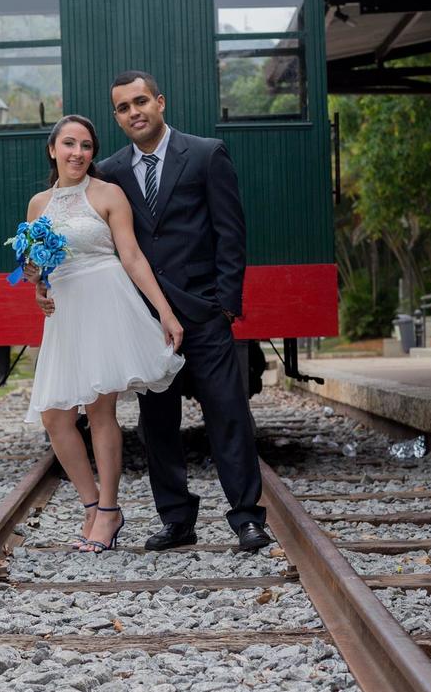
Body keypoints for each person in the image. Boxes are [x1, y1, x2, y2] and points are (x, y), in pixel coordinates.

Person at [36, 71, 271, 553]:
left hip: (203, 313)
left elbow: (231, 233)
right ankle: (176, 518)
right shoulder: (112, 172)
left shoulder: (206, 154)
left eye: (140, 101)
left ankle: (246, 518)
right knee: (157, 424)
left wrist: (225, 306)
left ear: (160, 102)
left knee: (228, 414)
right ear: (118, 117)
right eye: (123, 108)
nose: (134, 112)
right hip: (145, 319)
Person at [23, 114, 185, 553]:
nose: (78, 153)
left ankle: (109, 511)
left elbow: (131, 256)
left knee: (99, 412)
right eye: (70, 144)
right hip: (65, 313)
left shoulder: (108, 194)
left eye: (87, 146)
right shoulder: (39, 204)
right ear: (53, 149)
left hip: (104, 303)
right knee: (55, 416)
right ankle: (91, 504)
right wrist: (37, 283)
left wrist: (165, 313)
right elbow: (36, 267)